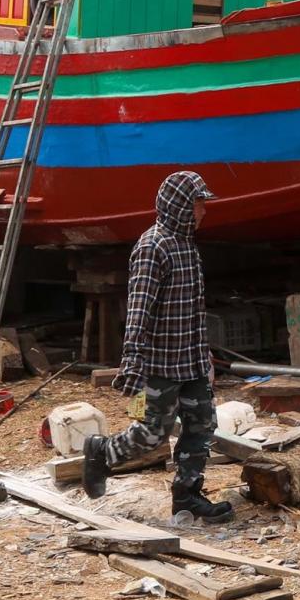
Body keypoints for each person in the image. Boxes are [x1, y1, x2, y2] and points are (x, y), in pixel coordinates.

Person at [81, 171, 231, 522]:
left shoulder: (187, 245)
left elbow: (193, 308)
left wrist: (204, 353)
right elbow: (139, 310)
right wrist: (132, 361)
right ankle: (102, 452)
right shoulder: (153, 247)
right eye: (198, 203)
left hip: (190, 361)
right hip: (161, 364)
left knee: (202, 425)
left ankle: (187, 496)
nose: (203, 211)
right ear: (180, 205)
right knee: (152, 434)